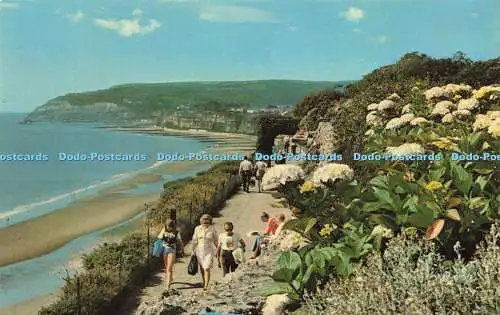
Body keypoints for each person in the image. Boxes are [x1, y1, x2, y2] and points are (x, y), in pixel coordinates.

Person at [191, 214, 218, 290]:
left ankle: (206, 285)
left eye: (207, 220)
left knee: (207, 268)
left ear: (210, 221)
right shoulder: (197, 229)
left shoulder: (212, 229)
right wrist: (192, 251)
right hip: (199, 251)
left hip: (209, 251)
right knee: (202, 268)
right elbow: (194, 240)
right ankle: (204, 281)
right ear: (201, 221)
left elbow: (216, 240)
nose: (205, 221)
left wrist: (218, 250)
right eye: (204, 220)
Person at [157, 219, 184, 291]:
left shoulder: (176, 232)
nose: (170, 228)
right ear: (166, 225)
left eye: (171, 226)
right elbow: (159, 237)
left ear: (173, 226)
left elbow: (180, 241)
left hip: (172, 250)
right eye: (168, 226)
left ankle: (167, 286)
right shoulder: (164, 230)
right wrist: (163, 233)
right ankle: (171, 278)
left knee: (169, 268)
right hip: (164, 249)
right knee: (167, 267)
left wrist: (182, 249)